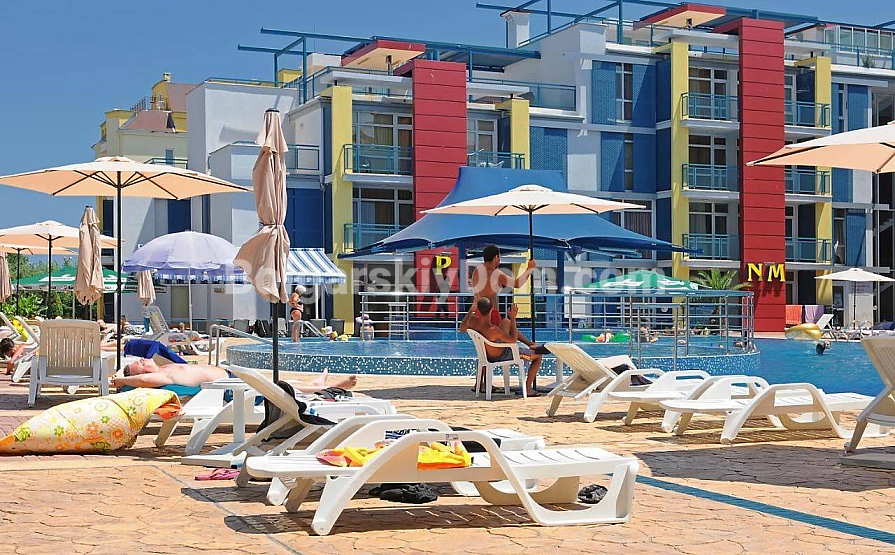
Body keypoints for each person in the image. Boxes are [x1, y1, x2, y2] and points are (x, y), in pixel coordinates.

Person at [111, 357, 358, 391]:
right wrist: (121, 379)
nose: (142, 359)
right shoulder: (161, 377)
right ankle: (324, 388)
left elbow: (139, 375)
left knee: (274, 383)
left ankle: (313, 384)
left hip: (231, 377)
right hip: (229, 389)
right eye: (139, 363)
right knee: (275, 388)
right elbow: (143, 380)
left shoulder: (165, 367)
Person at [460, 297, 543, 397]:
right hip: (501, 355)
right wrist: (513, 319)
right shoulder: (493, 329)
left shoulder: (472, 321)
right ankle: (528, 388)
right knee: (538, 356)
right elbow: (513, 339)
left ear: (477, 309)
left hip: (486, 353)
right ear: (492, 309)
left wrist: (470, 311)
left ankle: (530, 344)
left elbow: (462, 328)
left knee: (505, 322)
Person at [471, 245, 537, 348]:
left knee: (507, 323)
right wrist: (529, 269)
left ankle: (530, 344)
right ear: (496, 257)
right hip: (491, 315)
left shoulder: (476, 272)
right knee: (508, 324)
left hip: (479, 313)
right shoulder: (496, 273)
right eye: (499, 257)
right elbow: (517, 284)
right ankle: (529, 344)